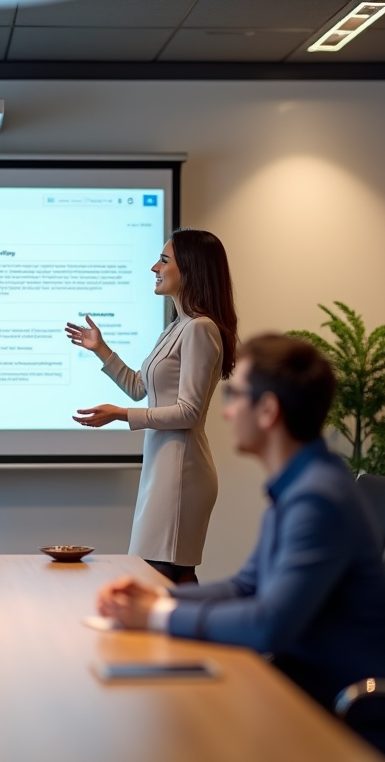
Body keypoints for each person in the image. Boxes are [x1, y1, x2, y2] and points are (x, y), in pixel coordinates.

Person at [96, 334, 385, 762]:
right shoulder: (305, 483)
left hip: (342, 720)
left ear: (268, 411)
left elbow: (268, 625)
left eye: (234, 396)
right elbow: (247, 586)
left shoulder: (317, 498)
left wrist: (153, 616)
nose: (225, 412)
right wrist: (162, 597)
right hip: (303, 692)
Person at [66, 228, 237, 583]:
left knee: (163, 573)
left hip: (182, 471)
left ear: (189, 268)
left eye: (163, 259)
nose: (152, 267)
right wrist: (102, 349)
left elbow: (188, 412)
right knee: (163, 573)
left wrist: (121, 415)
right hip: (163, 466)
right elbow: (138, 387)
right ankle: (192, 632)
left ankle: (196, 633)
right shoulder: (176, 327)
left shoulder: (200, 329)